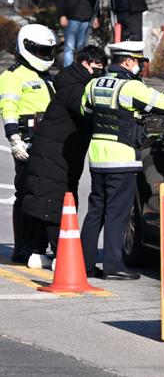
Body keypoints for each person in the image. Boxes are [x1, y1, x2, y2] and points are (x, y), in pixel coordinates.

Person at [80, 41, 164, 280]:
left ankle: (85, 264)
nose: (139, 66)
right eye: (138, 61)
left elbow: (85, 111)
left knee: (95, 211)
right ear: (127, 61)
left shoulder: (94, 84)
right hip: (122, 156)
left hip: (97, 156)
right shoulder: (131, 88)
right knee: (117, 213)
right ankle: (113, 265)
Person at [21, 46, 107, 270]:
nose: (99, 73)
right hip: (55, 156)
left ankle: (38, 252)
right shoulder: (75, 87)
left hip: (56, 153)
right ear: (85, 63)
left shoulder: (70, 80)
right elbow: (86, 108)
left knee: (46, 201)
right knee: (54, 203)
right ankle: (62, 255)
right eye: (97, 68)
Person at [0, 24, 57, 264]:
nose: (45, 56)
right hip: (26, 141)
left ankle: (38, 245)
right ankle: (22, 247)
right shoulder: (12, 76)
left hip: (48, 141)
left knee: (44, 194)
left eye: (48, 51)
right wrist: (14, 139)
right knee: (25, 192)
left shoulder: (45, 77)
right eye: (41, 51)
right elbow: (8, 108)